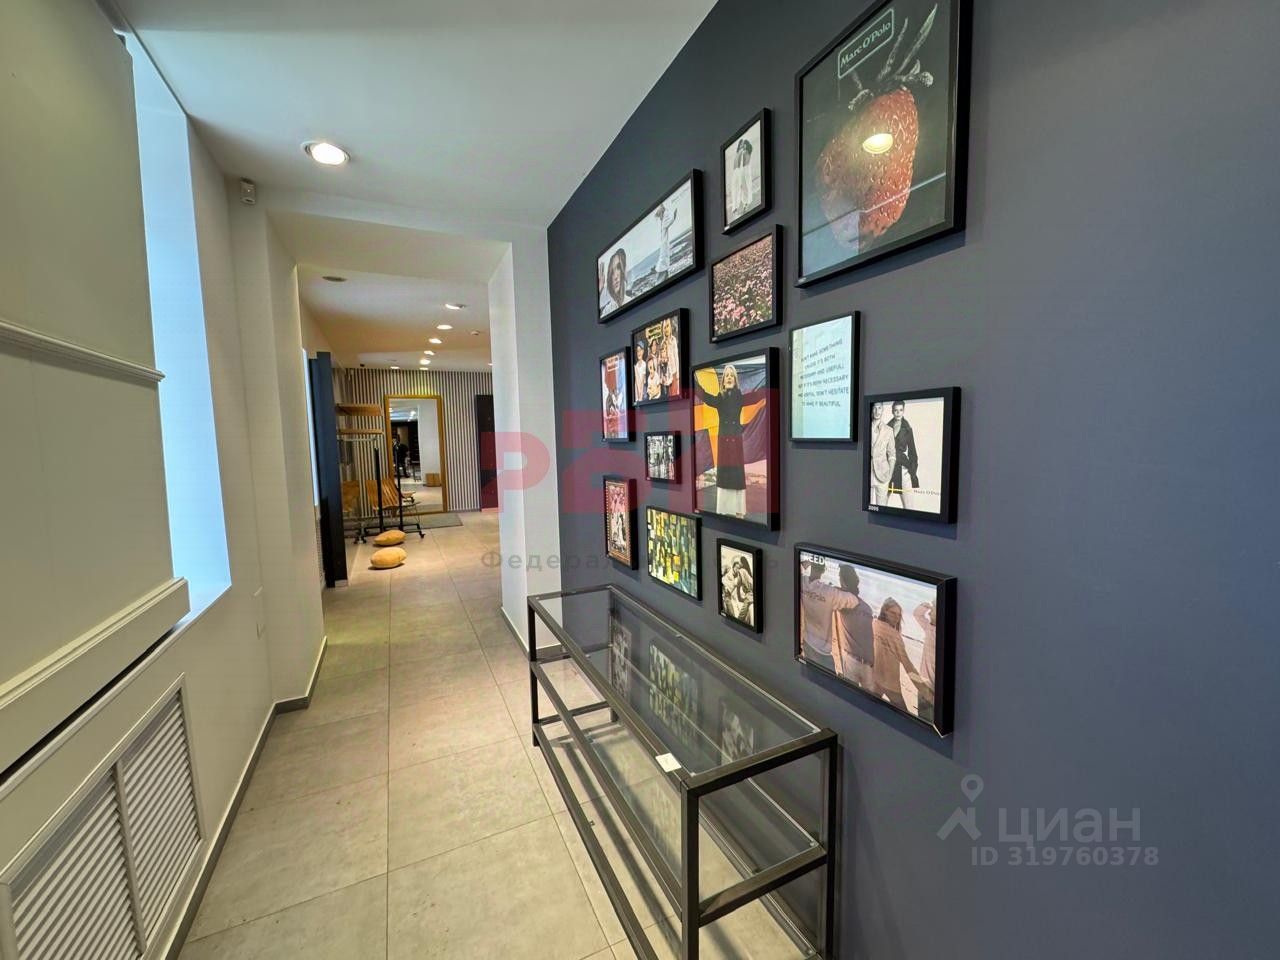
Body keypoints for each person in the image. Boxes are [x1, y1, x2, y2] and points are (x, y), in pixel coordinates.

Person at [693, 363, 748, 519]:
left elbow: (755, 397)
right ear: (723, 380)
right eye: (727, 376)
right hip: (724, 441)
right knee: (724, 474)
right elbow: (705, 396)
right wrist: (694, 383)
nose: (729, 378)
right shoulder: (720, 399)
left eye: (732, 376)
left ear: (735, 380)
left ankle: (738, 510)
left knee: (737, 474)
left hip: (736, 441)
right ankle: (724, 510)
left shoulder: (740, 397)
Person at [872, 598, 933, 715]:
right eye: (893, 613)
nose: (896, 617)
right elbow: (908, 666)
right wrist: (926, 692)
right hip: (890, 685)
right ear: (885, 611)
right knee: (904, 717)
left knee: (871, 711)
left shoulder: (874, 624)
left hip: (875, 679)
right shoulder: (895, 636)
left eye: (899, 615)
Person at [798, 558, 838, 674]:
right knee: (829, 680)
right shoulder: (828, 591)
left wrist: (807, 563)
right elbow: (852, 601)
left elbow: (795, 569)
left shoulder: (802, 581)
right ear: (824, 570)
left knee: (809, 673)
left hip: (807, 640)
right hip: (823, 649)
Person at [889, 400, 919, 509]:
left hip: (902, 468)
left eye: (900, 410)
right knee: (880, 503)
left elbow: (913, 452)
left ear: (903, 411)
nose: (898, 413)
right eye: (896, 410)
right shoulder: (886, 427)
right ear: (892, 411)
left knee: (909, 507)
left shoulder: (907, 428)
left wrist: (912, 471)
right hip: (888, 468)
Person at [913, 601, 937, 723]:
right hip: (923, 683)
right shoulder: (929, 627)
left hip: (931, 688)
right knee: (922, 719)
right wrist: (927, 605)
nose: (929, 612)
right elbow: (917, 614)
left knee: (928, 721)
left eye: (932, 609)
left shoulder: (940, 633)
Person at [869, 401, 895, 506]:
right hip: (867, 473)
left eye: (879, 408)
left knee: (882, 508)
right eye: (875, 408)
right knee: (864, 508)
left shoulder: (888, 430)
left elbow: (892, 454)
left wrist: (890, 474)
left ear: (883, 409)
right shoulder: (864, 427)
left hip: (883, 474)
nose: (877, 411)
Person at [730, 137, 754, 218]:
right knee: (738, 188)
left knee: (745, 187)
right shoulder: (741, 152)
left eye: (743, 144)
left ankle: (744, 205)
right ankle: (739, 207)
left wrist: (742, 150)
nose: (742, 145)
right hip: (739, 171)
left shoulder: (745, 152)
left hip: (744, 170)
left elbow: (744, 162)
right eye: (741, 144)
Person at [601, 249, 627, 314]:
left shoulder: (630, 300)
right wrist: (600, 288)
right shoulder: (607, 310)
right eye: (612, 272)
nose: (615, 276)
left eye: (618, 267)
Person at [654, 202, 676, 279]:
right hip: (663, 247)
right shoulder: (662, 223)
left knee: (663, 263)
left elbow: (670, 220)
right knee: (663, 263)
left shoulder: (664, 222)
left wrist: (669, 213)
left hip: (664, 247)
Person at [633, 340, 649, 404]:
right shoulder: (636, 366)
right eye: (637, 351)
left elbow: (642, 380)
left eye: (640, 350)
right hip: (637, 390)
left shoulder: (644, 364)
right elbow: (636, 380)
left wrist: (640, 396)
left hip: (642, 389)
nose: (639, 353)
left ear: (643, 351)